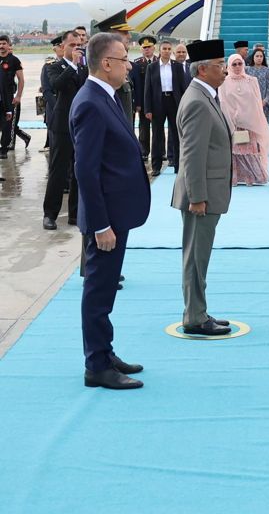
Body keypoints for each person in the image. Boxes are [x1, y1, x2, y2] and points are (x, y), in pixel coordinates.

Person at [72, 32, 151, 390]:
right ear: (106, 64)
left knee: (105, 290)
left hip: (118, 213)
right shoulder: (90, 101)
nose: (128, 66)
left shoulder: (108, 97)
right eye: (124, 60)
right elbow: (85, 170)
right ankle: (97, 366)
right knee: (99, 291)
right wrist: (101, 224)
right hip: (107, 219)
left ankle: (105, 351)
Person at [172, 39, 234, 337]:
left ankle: (199, 310)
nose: (225, 70)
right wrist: (197, 198)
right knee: (196, 257)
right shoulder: (197, 100)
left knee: (199, 256)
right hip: (201, 196)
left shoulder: (205, 95)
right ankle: (195, 317)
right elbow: (192, 155)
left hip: (207, 193)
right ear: (204, 69)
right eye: (221, 65)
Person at [43, 30, 88, 229]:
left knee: (79, 171)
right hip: (62, 126)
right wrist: (73, 66)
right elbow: (56, 85)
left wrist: (80, 67)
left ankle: (75, 213)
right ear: (63, 47)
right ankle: (50, 214)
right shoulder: (54, 67)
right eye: (72, 45)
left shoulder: (84, 69)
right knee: (58, 171)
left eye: (78, 45)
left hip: (81, 126)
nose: (76, 49)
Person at [221, 54, 269, 185]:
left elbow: (256, 102)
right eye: (234, 64)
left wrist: (249, 116)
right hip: (233, 123)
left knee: (249, 150)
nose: (237, 67)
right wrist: (233, 117)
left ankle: (252, 176)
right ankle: (235, 177)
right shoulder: (224, 82)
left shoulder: (251, 80)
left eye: (240, 64)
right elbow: (223, 102)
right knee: (235, 150)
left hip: (249, 122)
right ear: (229, 66)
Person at [144, 40, 188, 176]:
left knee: (176, 134)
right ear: (159, 50)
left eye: (169, 49)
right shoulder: (152, 67)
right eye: (164, 49)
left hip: (174, 102)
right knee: (157, 135)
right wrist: (148, 109)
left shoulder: (177, 66)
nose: (167, 51)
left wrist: (184, 104)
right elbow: (148, 89)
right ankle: (156, 166)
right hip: (158, 102)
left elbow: (183, 88)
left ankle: (178, 165)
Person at [0, 34, 32, 156]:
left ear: (8, 45)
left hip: (9, 98)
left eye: (4, 44)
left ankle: (4, 149)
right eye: (0, 44)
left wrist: (18, 96)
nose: (1, 46)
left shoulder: (14, 61)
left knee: (8, 125)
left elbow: (21, 80)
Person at [130, 35, 157, 160]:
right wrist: (138, 103)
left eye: (149, 47)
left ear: (154, 47)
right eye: (144, 47)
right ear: (141, 49)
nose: (147, 50)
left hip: (158, 99)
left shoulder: (159, 61)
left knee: (158, 127)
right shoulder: (137, 64)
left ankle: (160, 152)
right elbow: (137, 85)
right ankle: (144, 151)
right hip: (144, 101)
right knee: (143, 127)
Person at [40, 35, 66, 152]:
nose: (62, 48)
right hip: (55, 109)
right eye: (59, 46)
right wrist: (58, 107)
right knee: (56, 148)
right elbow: (46, 90)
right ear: (54, 49)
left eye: (63, 45)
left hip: (71, 108)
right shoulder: (48, 66)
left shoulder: (76, 66)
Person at [245, 47, 269, 120]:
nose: (259, 58)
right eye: (257, 56)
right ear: (253, 57)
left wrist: (264, 101)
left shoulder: (267, 70)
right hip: (251, 103)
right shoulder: (247, 70)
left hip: (264, 104)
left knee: (264, 126)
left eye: (261, 56)